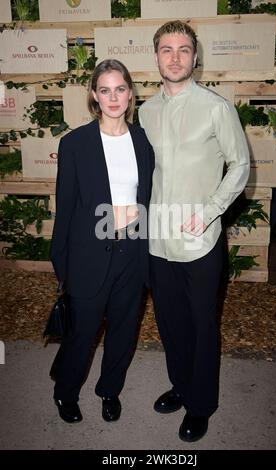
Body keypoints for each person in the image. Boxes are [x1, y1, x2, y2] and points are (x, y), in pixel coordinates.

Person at [139, 21, 250, 442]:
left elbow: (240, 165)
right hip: (157, 241)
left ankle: (201, 404)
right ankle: (181, 385)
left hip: (200, 240)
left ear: (195, 57)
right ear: (156, 57)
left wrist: (209, 211)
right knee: (170, 324)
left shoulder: (217, 108)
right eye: (166, 50)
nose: (175, 57)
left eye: (183, 50)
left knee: (203, 326)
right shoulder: (144, 111)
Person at [50, 59, 154, 424]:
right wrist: (62, 265)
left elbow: (148, 197)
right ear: (95, 95)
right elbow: (66, 208)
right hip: (89, 253)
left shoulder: (142, 140)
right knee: (82, 332)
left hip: (132, 250)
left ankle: (109, 390)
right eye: (105, 90)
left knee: (123, 333)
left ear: (130, 94)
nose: (113, 97)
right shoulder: (75, 144)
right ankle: (65, 392)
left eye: (120, 89)